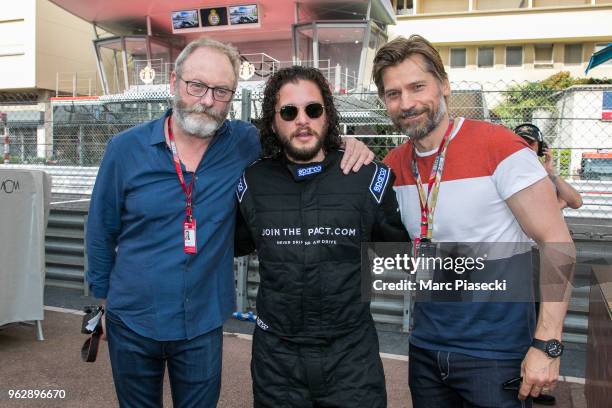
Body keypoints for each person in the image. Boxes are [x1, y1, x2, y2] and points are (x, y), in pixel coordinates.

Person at [86, 38, 374, 408]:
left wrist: (347, 144)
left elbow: (298, 135)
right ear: (175, 82)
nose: (207, 100)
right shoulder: (125, 150)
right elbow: (100, 230)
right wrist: (105, 305)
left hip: (203, 322)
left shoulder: (244, 143)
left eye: (221, 91)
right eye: (197, 86)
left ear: (233, 95)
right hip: (133, 318)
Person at [373, 35, 575, 408]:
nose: (407, 103)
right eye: (393, 93)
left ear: (445, 85)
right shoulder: (391, 166)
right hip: (426, 348)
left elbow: (557, 243)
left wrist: (547, 344)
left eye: (418, 87)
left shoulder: (499, 148)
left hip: (496, 354)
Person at [234, 66, 410, 407]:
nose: (303, 120)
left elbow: (401, 258)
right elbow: (232, 243)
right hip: (277, 362)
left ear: (327, 116)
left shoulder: (367, 176)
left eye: (313, 110)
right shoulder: (251, 182)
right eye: (289, 111)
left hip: (351, 360)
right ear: (273, 122)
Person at [514, 123, 583, 406]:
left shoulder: (544, 178)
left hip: (548, 258)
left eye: (530, 144)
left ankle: (538, 384)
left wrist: (550, 172)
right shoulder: (512, 173)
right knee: (523, 320)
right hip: (521, 259)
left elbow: (575, 201)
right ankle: (523, 379)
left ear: (539, 148)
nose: (524, 148)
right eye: (519, 143)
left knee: (546, 319)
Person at [514, 123, 583, 210]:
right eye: (521, 143)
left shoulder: (546, 172)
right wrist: (560, 204)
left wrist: (550, 172)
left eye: (530, 143)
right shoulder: (509, 172)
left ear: (541, 148)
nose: (526, 148)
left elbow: (577, 202)